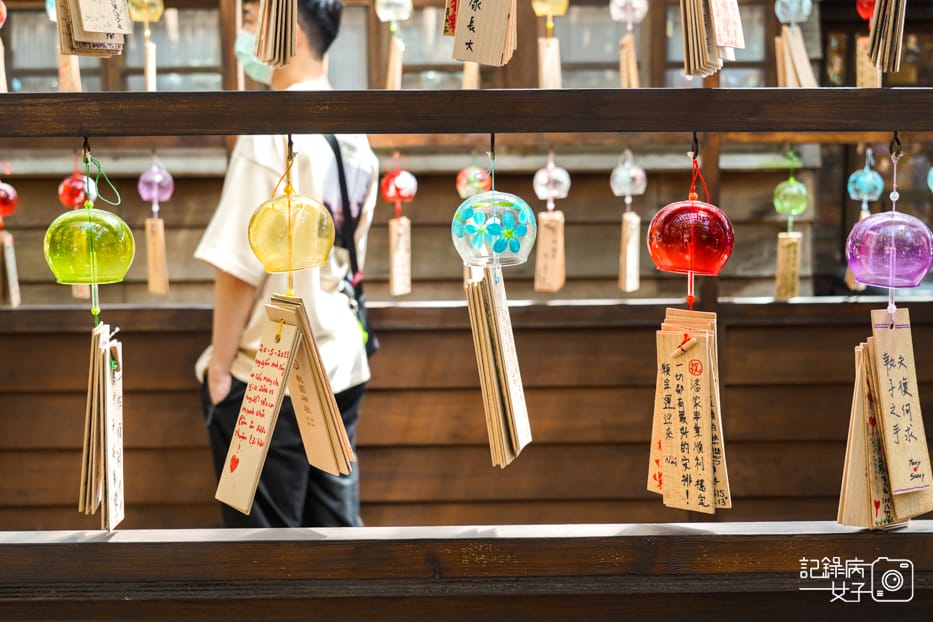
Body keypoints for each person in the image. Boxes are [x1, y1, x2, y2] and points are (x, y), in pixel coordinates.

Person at [194, 0, 378, 528]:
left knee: (264, 547)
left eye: (253, 17)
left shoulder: (269, 129)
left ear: (288, 29)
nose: (243, 29)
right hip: (338, 356)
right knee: (335, 536)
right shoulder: (353, 131)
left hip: (268, 369)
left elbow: (237, 265)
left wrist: (222, 369)